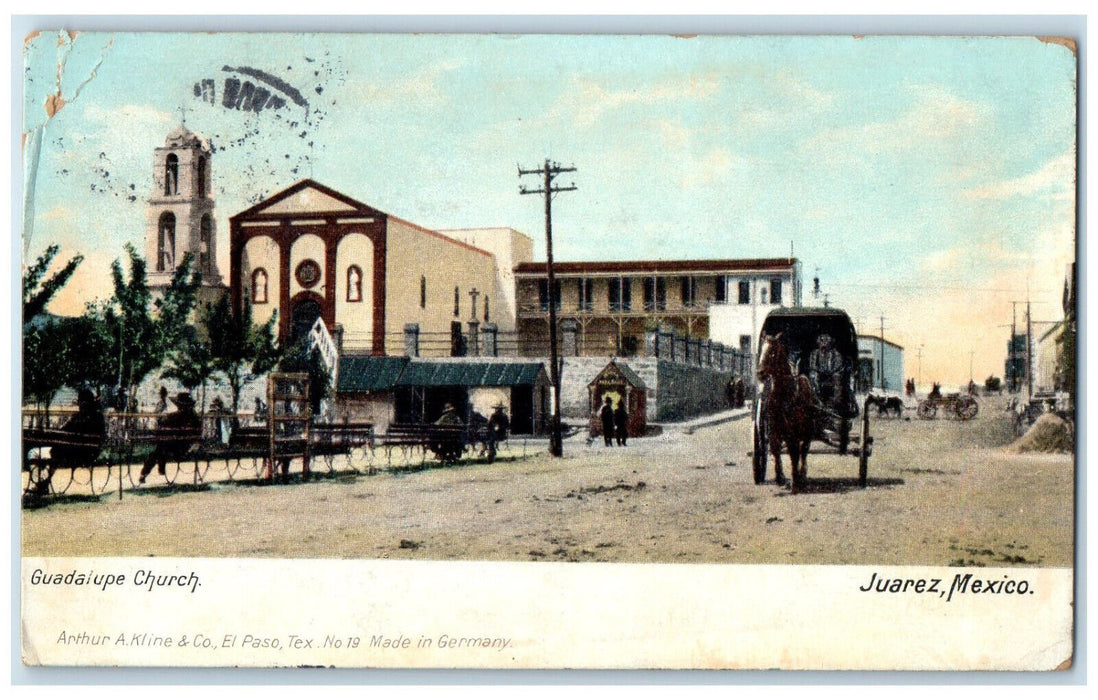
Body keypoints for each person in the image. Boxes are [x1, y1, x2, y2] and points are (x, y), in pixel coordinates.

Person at [40, 388, 106, 495]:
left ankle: (44, 482)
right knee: (56, 451)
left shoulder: (79, 417)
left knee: (55, 452)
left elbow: (63, 430)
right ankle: (44, 482)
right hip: (92, 453)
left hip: (78, 454)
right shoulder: (98, 417)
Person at [139, 392, 201, 485]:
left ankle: (145, 473)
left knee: (158, 450)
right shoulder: (194, 416)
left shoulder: (173, 416)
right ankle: (160, 468)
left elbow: (161, 428)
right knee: (162, 448)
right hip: (186, 446)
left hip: (176, 447)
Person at [808, 333, 844, 407]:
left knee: (837, 377)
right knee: (813, 375)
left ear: (830, 343)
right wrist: (818, 371)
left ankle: (834, 403)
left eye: (826, 341)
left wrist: (830, 372)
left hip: (831, 376)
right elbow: (813, 366)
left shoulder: (835, 354)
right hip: (820, 376)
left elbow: (838, 367)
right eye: (821, 341)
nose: (824, 343)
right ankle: (816, 400)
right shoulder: (815, 353)